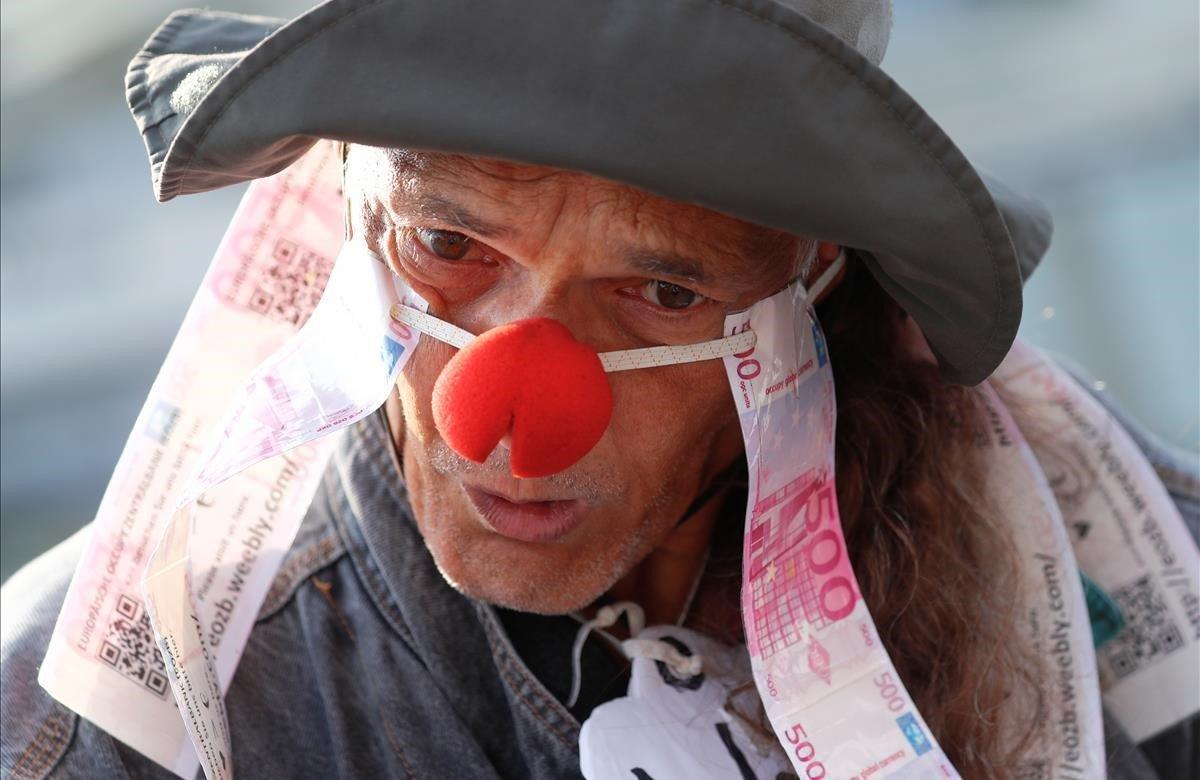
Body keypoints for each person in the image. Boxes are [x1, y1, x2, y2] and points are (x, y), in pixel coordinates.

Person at [2, 1, 1196, 778]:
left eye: (663, 293)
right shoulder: (84, 721)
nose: (512, 412)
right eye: (449, 247)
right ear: (349, 211)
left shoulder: (1122, 553)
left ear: (812, 281)